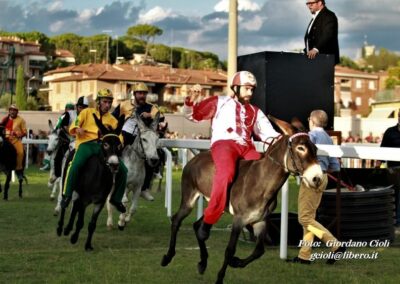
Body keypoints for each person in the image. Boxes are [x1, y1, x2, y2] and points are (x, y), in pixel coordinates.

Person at [184, 71, 280, 241]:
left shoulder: (255, 111)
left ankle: (255, 218)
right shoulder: (220, 102)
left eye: (252, 90)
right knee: (226, 173)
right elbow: (194, 116)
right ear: (235, 88)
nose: (250, 93)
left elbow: (269, 135)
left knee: (263, 170)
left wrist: (289, 141)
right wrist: (191, 100)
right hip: (224, 144)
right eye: (246, 89)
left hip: (246, 147)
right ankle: (208, 220)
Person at [287, 109, 344, 265]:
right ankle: (304, 256)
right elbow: (335, 166)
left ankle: (335, 245)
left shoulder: (310, 137)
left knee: (304, 218)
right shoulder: (328, 138)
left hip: (311, 178)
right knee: (309, 219)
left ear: (311, 120)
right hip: (324, 177)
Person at [61, 89, 127, 213]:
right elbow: (74, 124)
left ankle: (116, 199)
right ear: (98, 102)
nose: (107, 105)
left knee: (123, 170)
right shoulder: (86, 112)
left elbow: (119, 135)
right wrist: (77, 129)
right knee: (75, 165)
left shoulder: (113, 120)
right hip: (85, 144)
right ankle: (67, 195)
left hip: (103, 148)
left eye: (109, 102)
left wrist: (120, 143)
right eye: (105, 101)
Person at [113, 82, 162, 201]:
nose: (142, 96)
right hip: (125, 133)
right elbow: (112, 118)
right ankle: (113, 181)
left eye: (144, 93)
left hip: (141, 137)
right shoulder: (124, 105)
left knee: (154, 154)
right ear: (134, 94)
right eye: (140, 93)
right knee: (114, 151)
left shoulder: (152, 107)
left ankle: (144, 188)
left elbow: (160, 116)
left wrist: (150, 115)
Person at [375, 110, 400, 229]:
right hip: (393, 170)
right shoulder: (390, 132)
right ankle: (395, 219)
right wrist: (377, 166)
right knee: (395, 194)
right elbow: (382, 150)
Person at [304, 0, 339, 65]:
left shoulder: (329, 15)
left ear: (320, 3)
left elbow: (328, 34)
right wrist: (306, 50)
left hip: (324, 59)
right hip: (314, 59)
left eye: (311, 3)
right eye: (307, 3)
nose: (309, 6)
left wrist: (316, 49)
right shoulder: (315, 17)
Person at [0, 104, 27, 180]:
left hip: (16, 140)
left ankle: (19, 170)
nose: (12, 112)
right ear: (9, 111)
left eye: (14, 110)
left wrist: (17, 134)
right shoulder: (5, 119)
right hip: (6, 139)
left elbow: (25, 132)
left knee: (20, 152)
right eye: (11, 110)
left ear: (17, 112)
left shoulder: (21, 120)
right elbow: (1, 126)